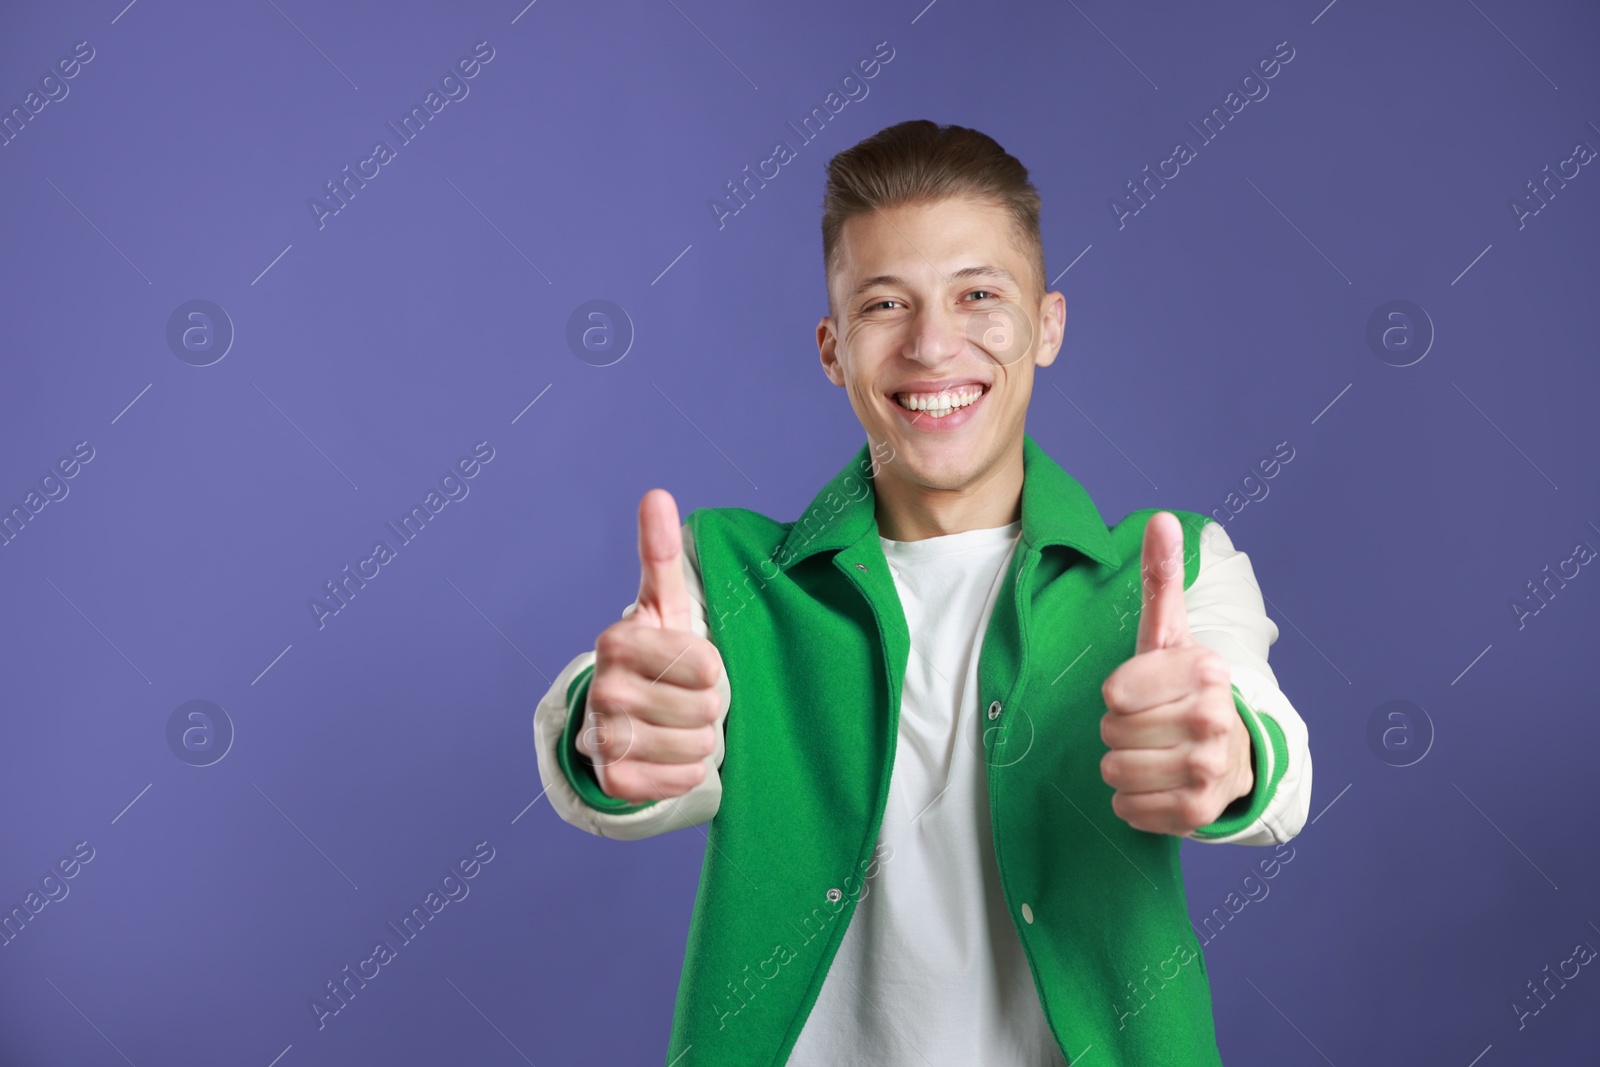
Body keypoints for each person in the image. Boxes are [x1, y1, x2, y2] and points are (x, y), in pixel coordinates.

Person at [533, 119, 1312, 1066]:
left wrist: (1227, 756)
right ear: (832, 348)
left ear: (1049, 325)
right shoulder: (721, 575)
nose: (933, 346)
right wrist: (604, 731)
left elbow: (1271, 763)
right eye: (884, 305)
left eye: (979, 294)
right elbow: (633, 738)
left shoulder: (1175, 570)